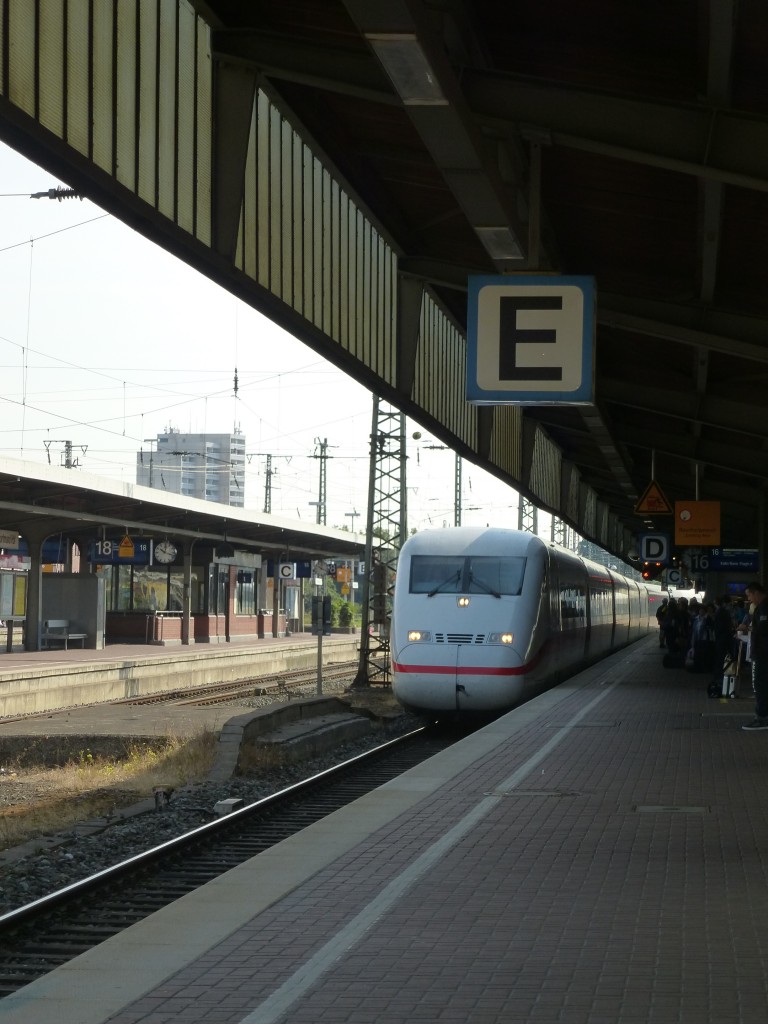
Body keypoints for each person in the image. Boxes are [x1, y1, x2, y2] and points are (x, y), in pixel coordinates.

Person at [742, 581, 768, 730]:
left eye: (749, 595)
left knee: (759, 684)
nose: (749, 599)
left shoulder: (764, 607)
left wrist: (748, 627)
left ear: (756, 592)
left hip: (762, 653)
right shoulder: (760, 607)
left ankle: (762, 717)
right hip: (762, 652)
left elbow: (764, 629)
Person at [712, 595, 735, 687]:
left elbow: (719, 627)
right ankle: (721, 676)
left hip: (721, 638)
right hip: (725, 638)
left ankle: (718, 676)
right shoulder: (725, 612)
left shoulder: (720, 612)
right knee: (723, 658)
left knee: (720, 658)